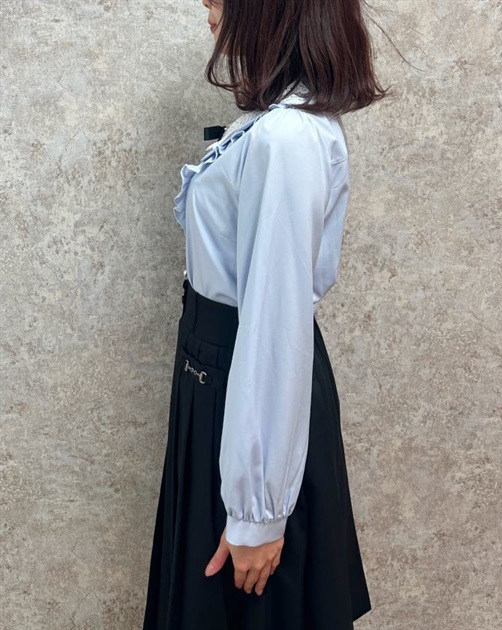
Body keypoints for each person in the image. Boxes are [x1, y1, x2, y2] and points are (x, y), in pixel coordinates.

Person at [142, 1, 389, 628]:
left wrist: (258, 514)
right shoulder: (270, 124)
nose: (206, 2)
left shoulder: (286, 139)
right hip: (221, 387)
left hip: (248, 393)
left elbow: (275, 322)